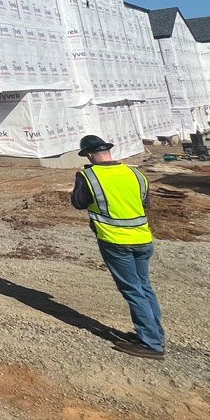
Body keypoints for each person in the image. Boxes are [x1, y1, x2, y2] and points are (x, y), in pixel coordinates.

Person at [70, 134, 165, 360]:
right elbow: (145, 203)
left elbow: (78, 202)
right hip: (143, 239)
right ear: (109, 151)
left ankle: (151, 343)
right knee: (144, 287)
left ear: (90, 155)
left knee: (133, 290)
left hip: (115, 242)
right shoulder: (136, 173)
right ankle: (154, 335)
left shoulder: (89, 176)